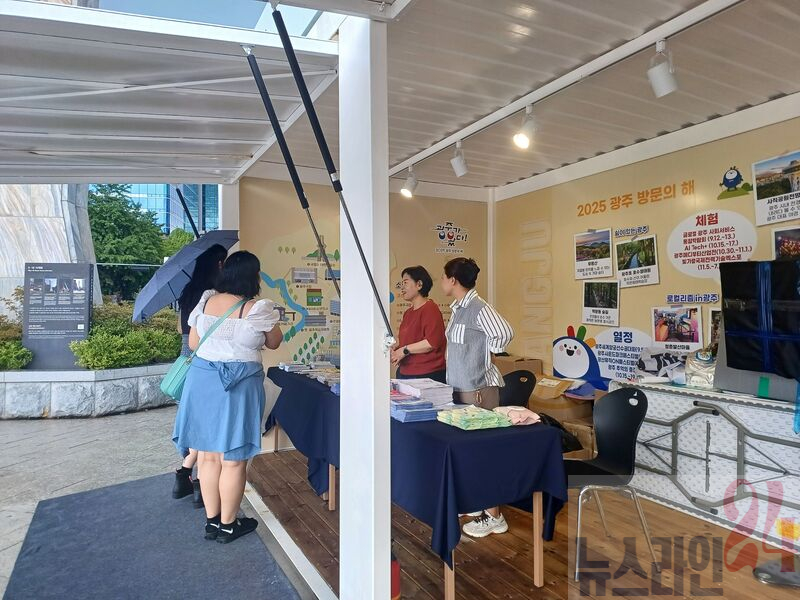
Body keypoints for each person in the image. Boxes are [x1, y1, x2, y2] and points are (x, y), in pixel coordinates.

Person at [173, 251, 282, 543]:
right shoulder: (257, 308)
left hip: (202, 382)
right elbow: (274, 342)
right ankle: (229, 525)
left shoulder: (207, 300)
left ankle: (212, 522)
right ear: (253, 277)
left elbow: (193, 342)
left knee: (208, 456)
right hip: (239, 386)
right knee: (233, 459)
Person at [440, 257, 514, 539]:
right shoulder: (458, 308)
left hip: (479, 391)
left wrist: (488, 351)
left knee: (484, 454)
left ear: (453, 280)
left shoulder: (478, 307)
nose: (442, 282)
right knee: (469, 453)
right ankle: (477, 504)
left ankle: (494, 516)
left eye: (444, 277)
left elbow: (504, 332)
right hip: (461, 389)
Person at [172, 244, 228, 506]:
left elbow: (180, 328)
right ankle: (191, 479)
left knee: (196, 422)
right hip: (205, 360)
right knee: (205, 426)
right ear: (219, 264)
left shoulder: (187, 291)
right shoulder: (213, 296)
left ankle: (187, 476)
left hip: (185, 355)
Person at [391, 266, 447, 383]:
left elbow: (431, 343)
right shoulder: (408, 313)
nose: (402, 287)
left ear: (419, 285)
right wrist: (395, 346)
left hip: (427, 375)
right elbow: (408, 339)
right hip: (405, 372)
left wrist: (404, 350)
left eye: (406, 283)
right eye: (401, 283)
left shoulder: (430, 308)